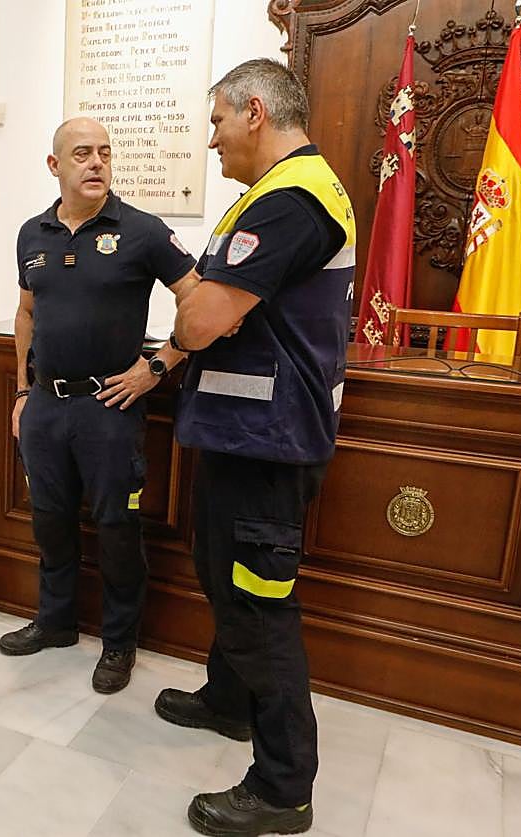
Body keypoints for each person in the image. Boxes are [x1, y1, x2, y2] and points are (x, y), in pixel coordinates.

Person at [153, 60, 356, 836]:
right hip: (244, 434)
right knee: (222, 576)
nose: (211, 140)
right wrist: (202, 310)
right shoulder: (279, 194)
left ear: (256, 113)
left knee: (258, 605)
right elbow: (215, 306)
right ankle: (228, 700)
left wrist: (194, 311)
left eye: (216, 122)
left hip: (269, 443)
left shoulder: (291, 200)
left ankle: (281, 788)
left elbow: (204, 316)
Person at [0, 116, 196, 694]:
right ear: (55, 166)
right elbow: (26, 314)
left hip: (108, 408)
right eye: (82, 153)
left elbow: (199, 300)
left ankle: (119, 642)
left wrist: (157, 366)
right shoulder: (32, 233)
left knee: (115, 528)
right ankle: (56, 623)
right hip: (45, 406)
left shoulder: (143, 231)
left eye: (105, 153)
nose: (97, 163)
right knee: (51, 522)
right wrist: (20, 390)